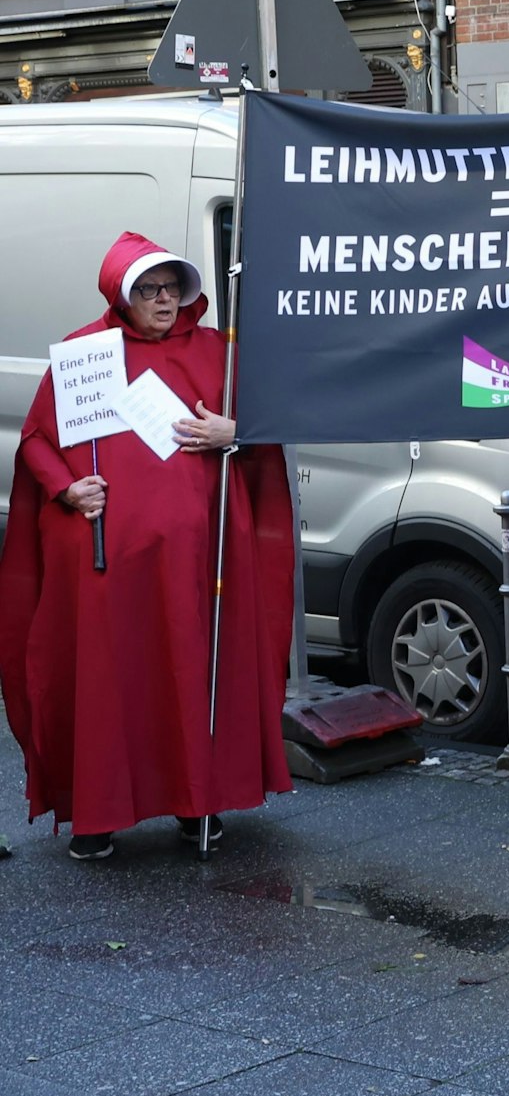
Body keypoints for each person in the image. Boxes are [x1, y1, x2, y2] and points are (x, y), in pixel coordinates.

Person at [0, 232, 295, 860]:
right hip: (109, 563)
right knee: (111, 682)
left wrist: (235, 430)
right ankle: (97, 813)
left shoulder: (220, 352)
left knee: (193, 674)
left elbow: (275, 425)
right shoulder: (85, 353)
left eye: (171, 288)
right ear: (122, 297)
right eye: (149, 290)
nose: (164, 300)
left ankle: (199, 805)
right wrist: (68, 488)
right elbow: (34, 443)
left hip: (199, 558)